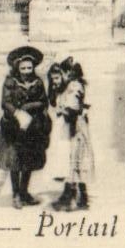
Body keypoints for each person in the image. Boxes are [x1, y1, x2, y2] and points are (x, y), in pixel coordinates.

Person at [0, 45, 52, 208]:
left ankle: (25, 192)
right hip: (14, 127)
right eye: (23, 68)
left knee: (29, 160)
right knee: (15, 161)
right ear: (17, 67)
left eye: (29, 68)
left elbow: (44, 101)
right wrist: (18, 113)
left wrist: (29, 108)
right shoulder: (10, 82)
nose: (26, 71)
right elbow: (6, 102)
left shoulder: (37, 82)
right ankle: (16, 194)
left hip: (32, 127)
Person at [52, 57, 94, 211]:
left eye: (61, 74)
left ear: (68, 73)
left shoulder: (73, 86)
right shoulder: (72, 85)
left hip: (75, 128)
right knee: (76, 160)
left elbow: (73, 109)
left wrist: (63, 111)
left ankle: (70, 196)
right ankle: (81, 196)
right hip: (76, 126)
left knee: (74, 159)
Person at [43, 61, 71, 190]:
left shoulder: (70, 88)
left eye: (57, 78)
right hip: (60, 120)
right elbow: (54, 104)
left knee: (66, 143)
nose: (55, 81)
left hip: (69, 119)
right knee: (60, 143)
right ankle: (61, 170)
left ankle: (67, 171)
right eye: (52, 79)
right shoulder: (55, 90)